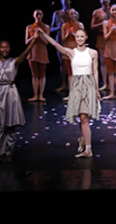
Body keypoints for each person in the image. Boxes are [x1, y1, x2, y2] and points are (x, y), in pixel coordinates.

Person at [38, 28, 101, 158]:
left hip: (88, 84)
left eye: (81, 36)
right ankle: (83, 139)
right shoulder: (71, 53)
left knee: (84, 117)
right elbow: (56, 45)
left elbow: (95, 71)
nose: (79, 39)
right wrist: (44, 34)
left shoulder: (93, 53)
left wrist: (96, 89)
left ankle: (88, 149)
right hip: (77, 85)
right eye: (77, 36)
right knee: (81, 116)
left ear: (86, 37)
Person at [25, 9, 51, 102]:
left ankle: (41, 94)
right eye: (37, 14)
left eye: (40, 14)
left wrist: (41, 34)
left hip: (42, 50)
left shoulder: (46, 27)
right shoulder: (29, 27)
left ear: (42, 15)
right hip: (32, 51)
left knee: (42, 73)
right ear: (33, 15)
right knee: (35, 74)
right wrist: (33, 36)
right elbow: (26, 42)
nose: (38, 16)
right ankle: (35, 95)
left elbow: (46, 41)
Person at [102, 4, 116, 99]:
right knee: (110, 72)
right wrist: (111, 31)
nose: (114, 12)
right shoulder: (105, 23)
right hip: (109, 48)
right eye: (113, 10)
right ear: (110, 11)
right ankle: (111, 92)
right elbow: (105, 37)